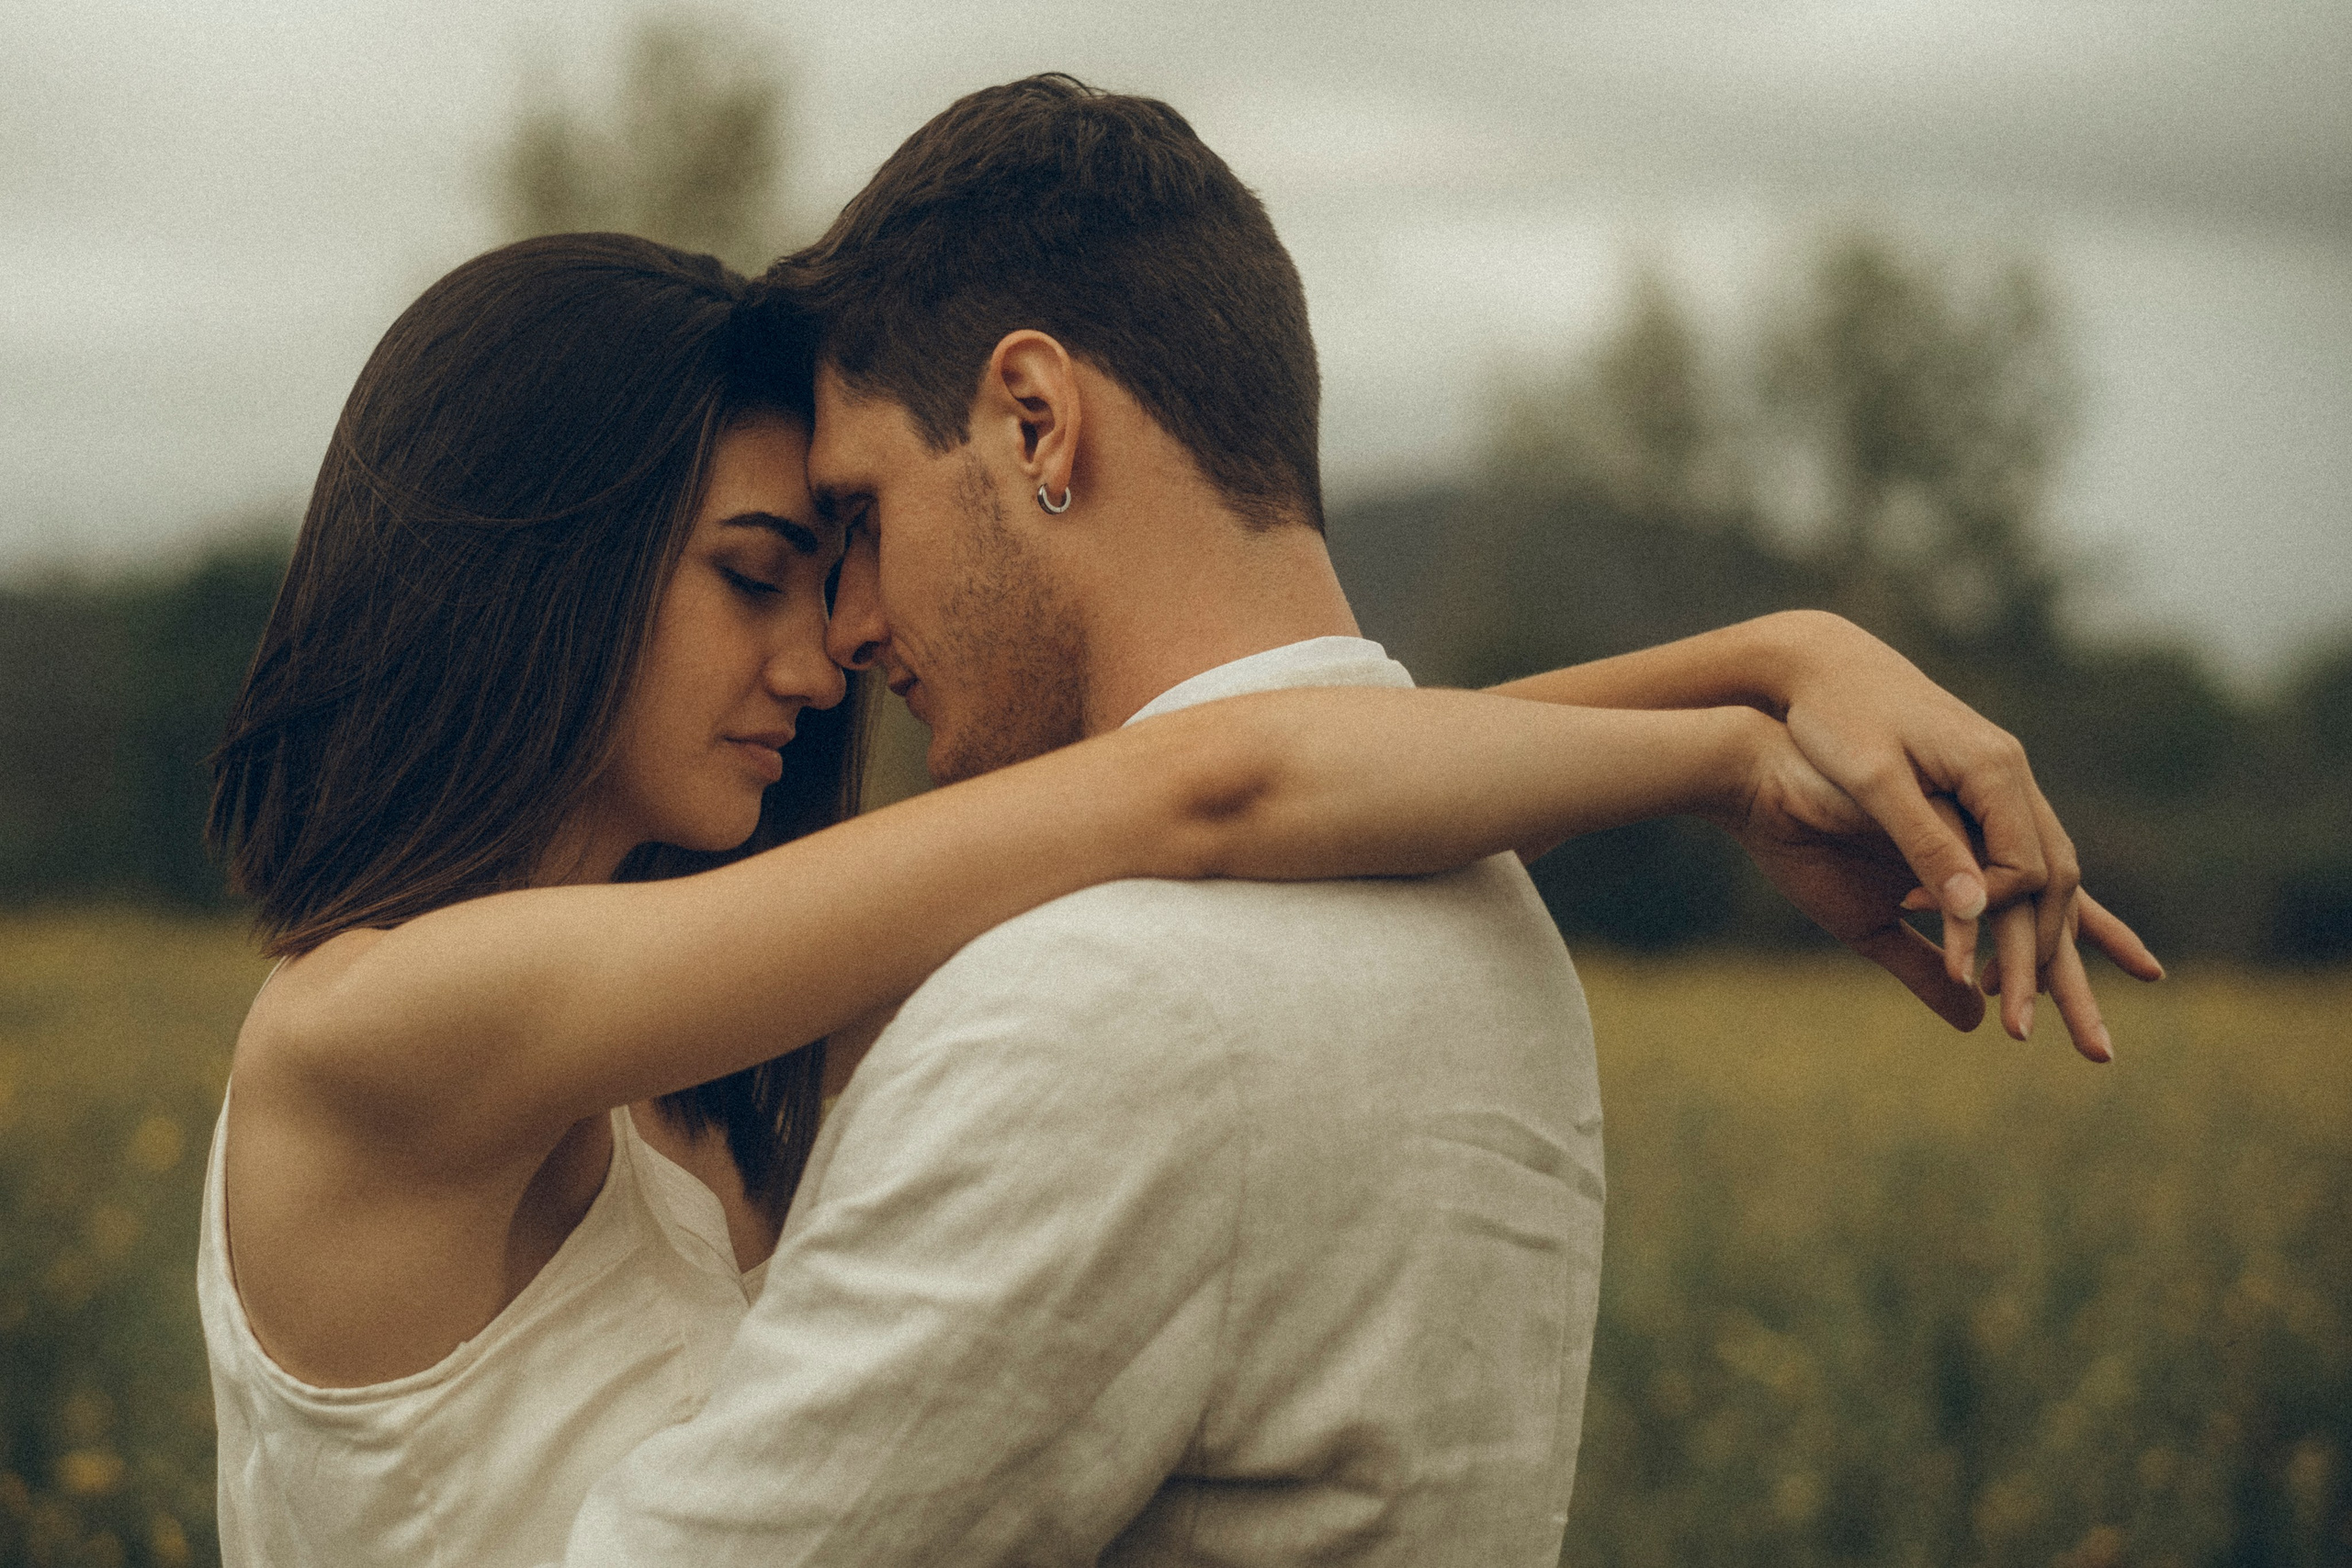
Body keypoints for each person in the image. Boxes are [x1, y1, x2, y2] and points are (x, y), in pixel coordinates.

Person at [197, 231, 2034, 1568]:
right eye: (754, 574)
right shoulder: (376, 1030)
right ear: (541, 569)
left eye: (827, 572)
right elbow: (1206, 783)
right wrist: (1727, 742)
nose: (827, 655)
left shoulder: (665, 1026)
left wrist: (1775, 659)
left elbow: (1265, 772)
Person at [558, 79, 2157, 1567]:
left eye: (857, 521)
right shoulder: (1479, 900)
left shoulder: (1100, 1015)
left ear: (1036, 422)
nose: (841, 630)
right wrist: (1763, 663)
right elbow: (1280, 773)